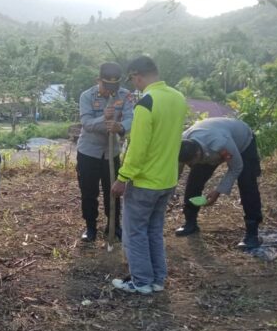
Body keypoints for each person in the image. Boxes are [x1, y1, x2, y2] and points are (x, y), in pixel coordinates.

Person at [109, 56, 189, 295]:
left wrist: (123, 178)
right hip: (167, 178)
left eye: (133, 79)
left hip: (145, 181)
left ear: (138, 76)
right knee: (153, 229)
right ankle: (157, 279)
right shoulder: (178, 97)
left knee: (135, 232)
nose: (134, 83)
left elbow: (138, 147)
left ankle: (141, 281)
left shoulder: (146, 103)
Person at [176, 117, 263, 249]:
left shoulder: (221, 143)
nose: (190, 165)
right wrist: (169, 189)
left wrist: (218, 191)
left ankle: (252, 234)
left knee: (247, 184)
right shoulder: (183, 144)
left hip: (243, 142)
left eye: (191, 163)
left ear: (198, 153)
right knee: (194, 180)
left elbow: (236, 167)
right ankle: (190, 222)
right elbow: (177, 170)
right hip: (211, 140)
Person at [76, 62, 135, 242]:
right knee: (88, 191)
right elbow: (86, 123)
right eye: (106, 86)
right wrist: (104, 118)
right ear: (98, 80)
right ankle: (90, 227)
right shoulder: (87, 96)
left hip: (112, 153)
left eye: (113, 86)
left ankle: (113, 225)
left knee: (114, 191)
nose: (110, 91)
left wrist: (120, 126)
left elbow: (131, 118)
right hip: (88, 152)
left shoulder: (125, 96)